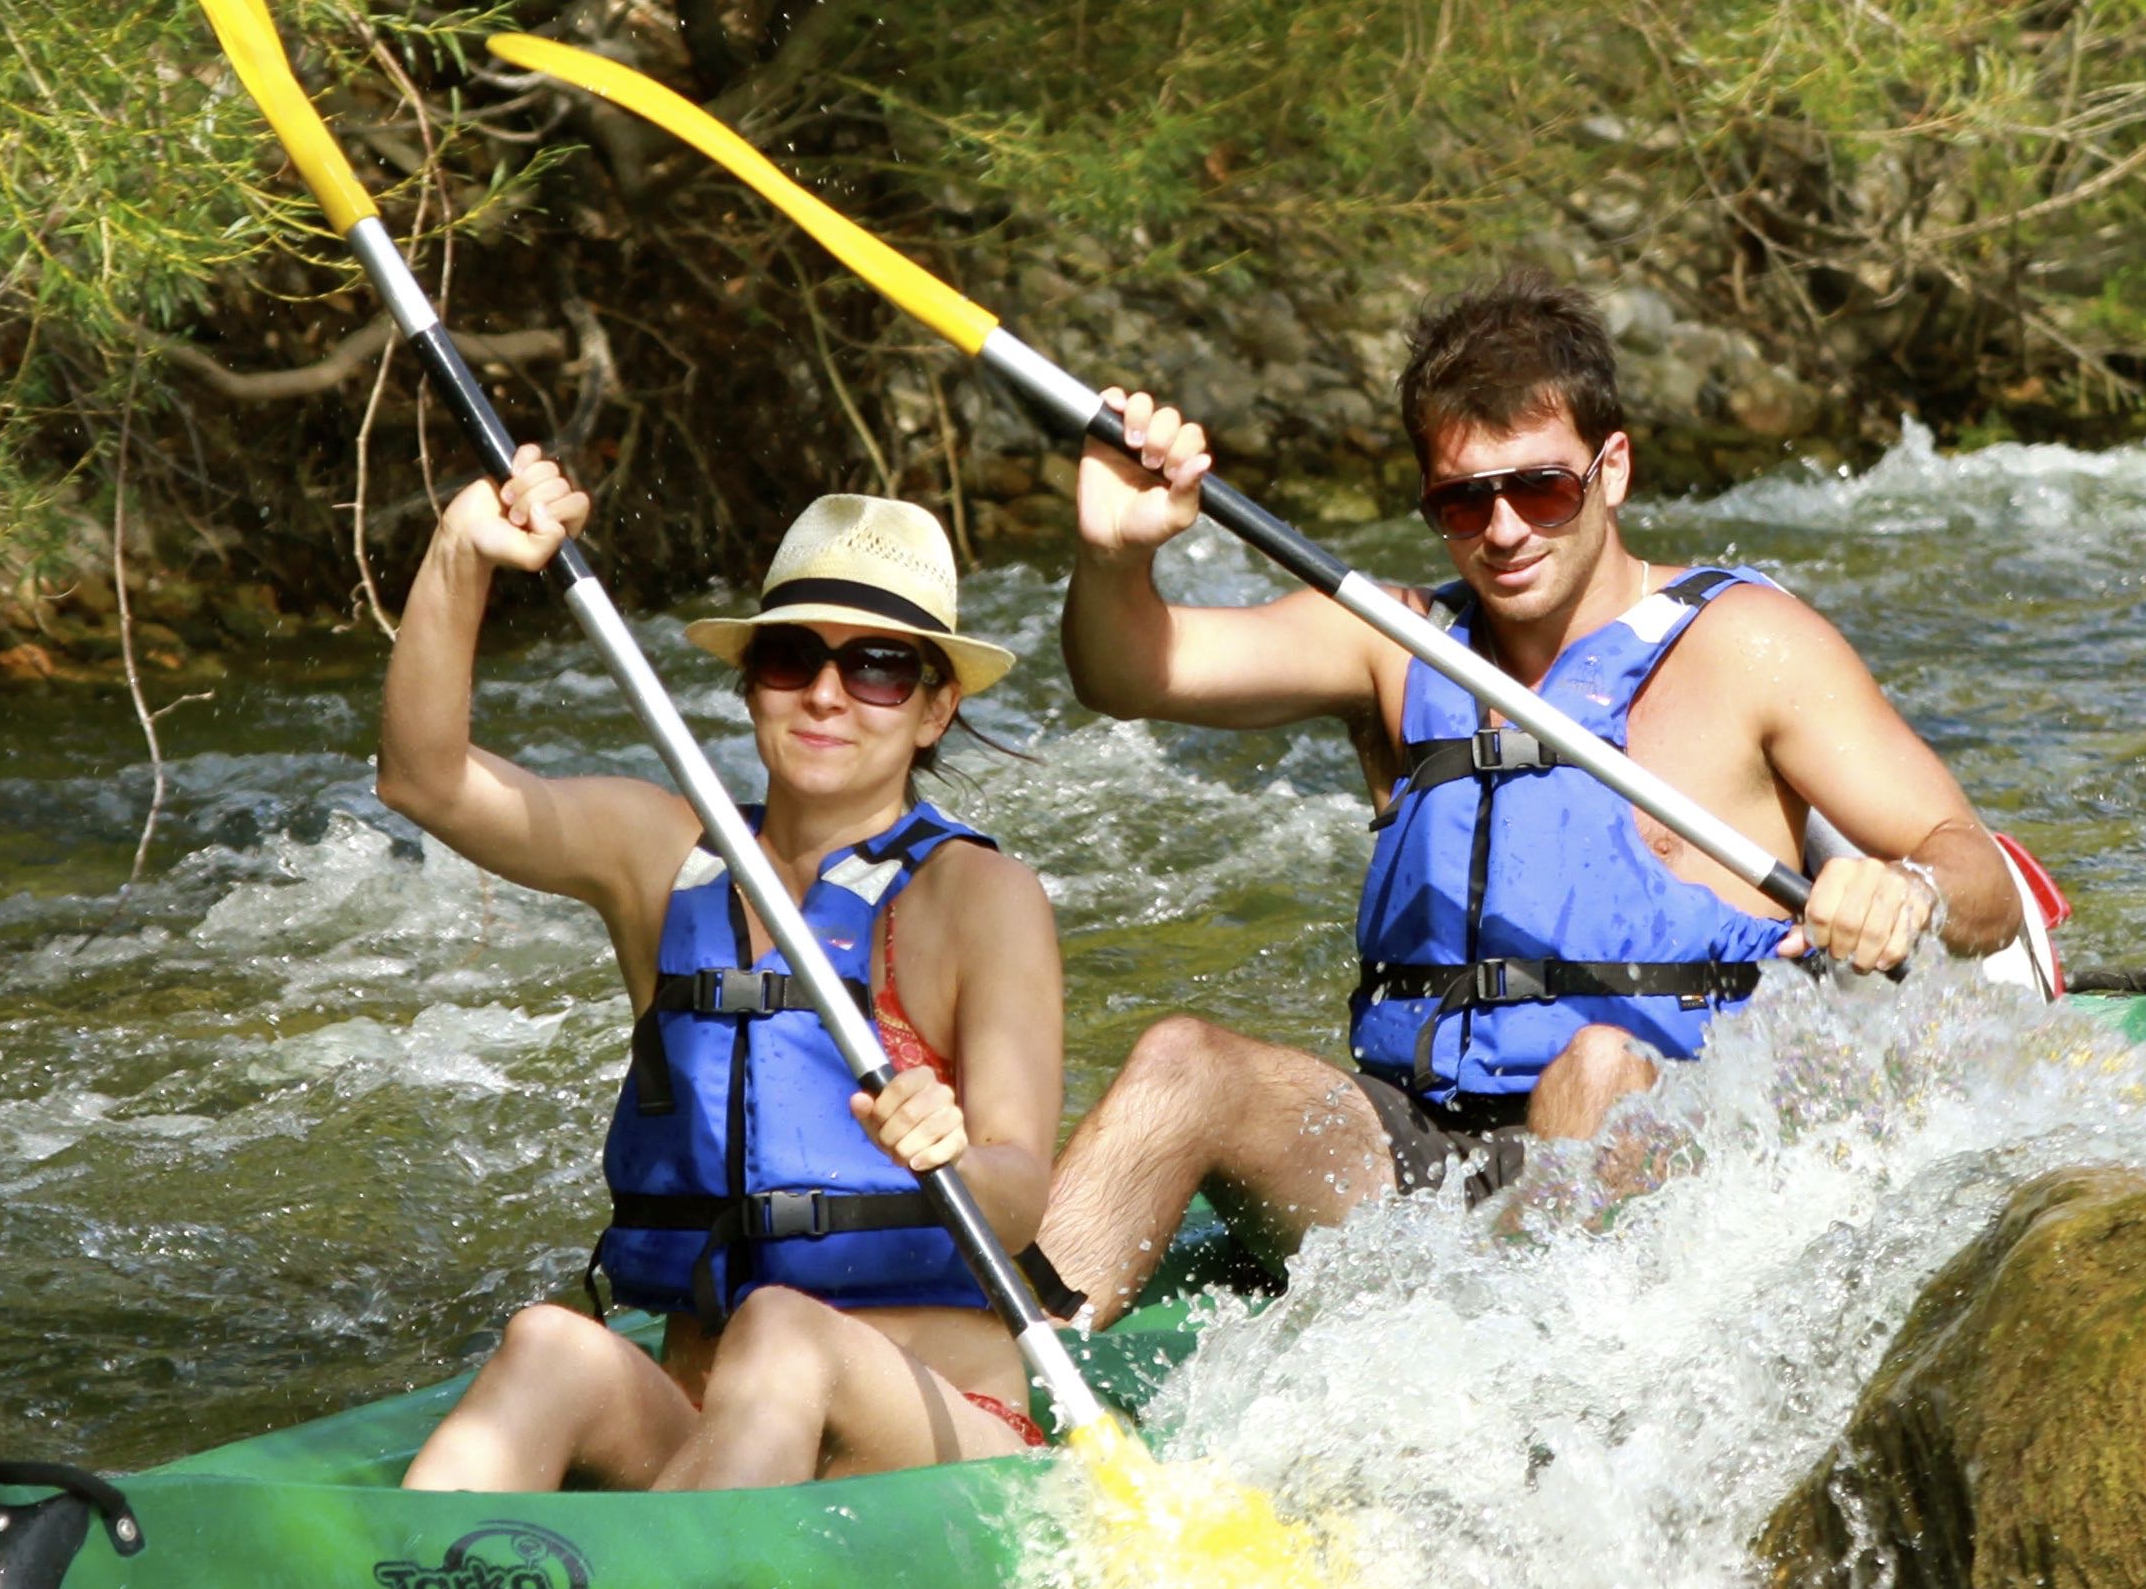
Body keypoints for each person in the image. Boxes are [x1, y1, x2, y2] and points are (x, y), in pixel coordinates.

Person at [1030, 274, 2042, 1320]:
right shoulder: (1397, 642)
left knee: (1594, 1068)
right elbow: (1127, 673)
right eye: (1463, 500)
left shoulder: (1752, 647)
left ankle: (1515, 1388)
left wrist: (1906, 892)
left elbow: (1975, 872)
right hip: (1420, 1156)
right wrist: (1114, 555)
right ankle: (1014, 1398)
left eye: (1541, 490)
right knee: (1180, 1063)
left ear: (1613, 470)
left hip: (1666, 1146)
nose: (1503, 529)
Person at [381, 466, 1068, 1489]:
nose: (827, 694)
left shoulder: (979, 896)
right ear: (752, 684)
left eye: (878, 666)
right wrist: (459, 555)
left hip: (927, 1436)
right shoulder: (660, 858)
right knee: (547, 1346)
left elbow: (1015, 1195)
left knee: (784, 1330)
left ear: (933, 709)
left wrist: (953, 1154)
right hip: (710, 1435)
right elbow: (425, 779)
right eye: (792, 658)